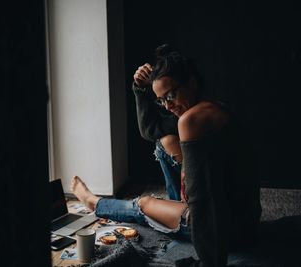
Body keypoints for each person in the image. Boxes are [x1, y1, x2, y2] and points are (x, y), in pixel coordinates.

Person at [79, 44, 262, 267]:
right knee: (165, 142)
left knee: (145, 204)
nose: (167, 106)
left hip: (226, 231)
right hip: (245, 218)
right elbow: (151, 130)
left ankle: (94, 203)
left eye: (171, 95)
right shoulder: (209, 109)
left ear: (192, 83)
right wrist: (140, 88)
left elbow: (204, 204)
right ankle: (173, 207)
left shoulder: (191, 120)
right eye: (162, 100)